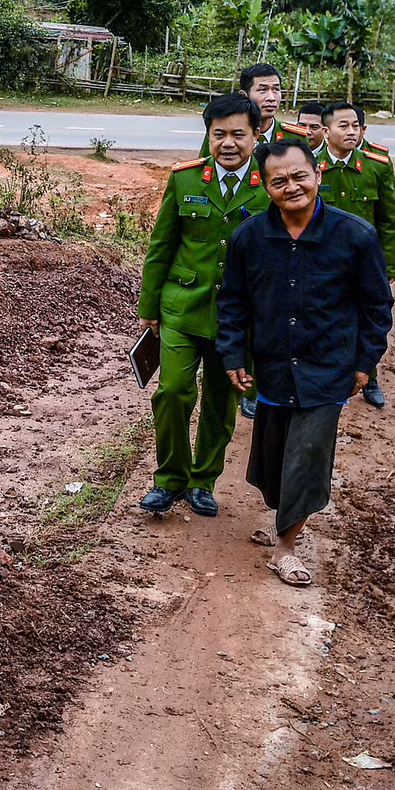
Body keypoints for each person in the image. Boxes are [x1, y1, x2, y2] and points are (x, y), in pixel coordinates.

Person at [216, 138, 393, 587]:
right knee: (273, 461)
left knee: (308, 455)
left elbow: (376, 306)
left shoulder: (355, 236)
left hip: (328, 365)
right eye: (280, 181)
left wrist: (365, 361)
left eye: (300, 176)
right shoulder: (248, 238)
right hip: (273, 365)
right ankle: (281, 514)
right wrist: (233, 352)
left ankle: (286, 547)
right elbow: (233, 301)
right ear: (265, 185)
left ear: (317, 175)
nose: (292, 187)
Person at [135, 92, 270, 519]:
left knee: (220, 401)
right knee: (172, 391)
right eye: (218, 135)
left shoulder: (271, 186)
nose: (228, 143)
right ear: (208, 136)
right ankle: (169, 479)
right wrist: (149, 304)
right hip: (182, 307)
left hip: (239, 319)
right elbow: (162, 246)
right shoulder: (186, 179)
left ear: (256, 134)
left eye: (238, 135)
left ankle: (202, 481)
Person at [315, 102, 395, 408]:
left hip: (364, 261)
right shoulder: (312, 167)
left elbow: (388, 218)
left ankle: (370, 375)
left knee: (367, 318)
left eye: (355, 126)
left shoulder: (376, 165)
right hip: (321, 261)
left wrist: (390, 264)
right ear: (326, 132)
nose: (351, 132)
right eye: (343, 126)